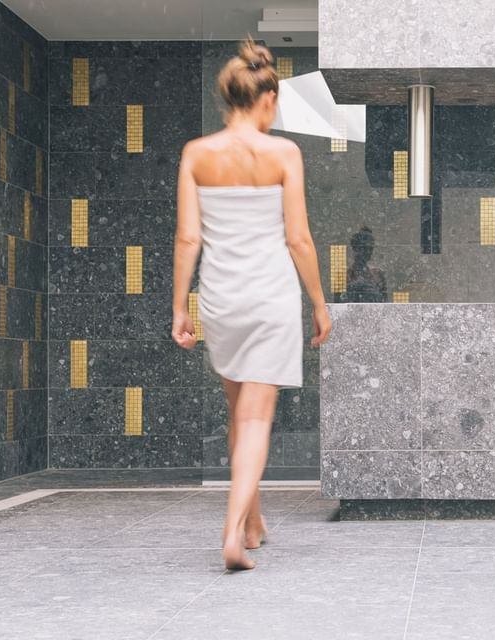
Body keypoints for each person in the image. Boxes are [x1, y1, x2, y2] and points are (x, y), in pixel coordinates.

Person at [170, 38, 331, 571]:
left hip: (221, 299)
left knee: (238, 411)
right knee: (257, 420)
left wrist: (179, 308)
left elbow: (187, 240)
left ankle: (255, 522)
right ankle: (232, 531)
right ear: (265, 100)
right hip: (269, 299)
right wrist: (319, 304)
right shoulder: (284, 153)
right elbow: (299, 239)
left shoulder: (197, 153)